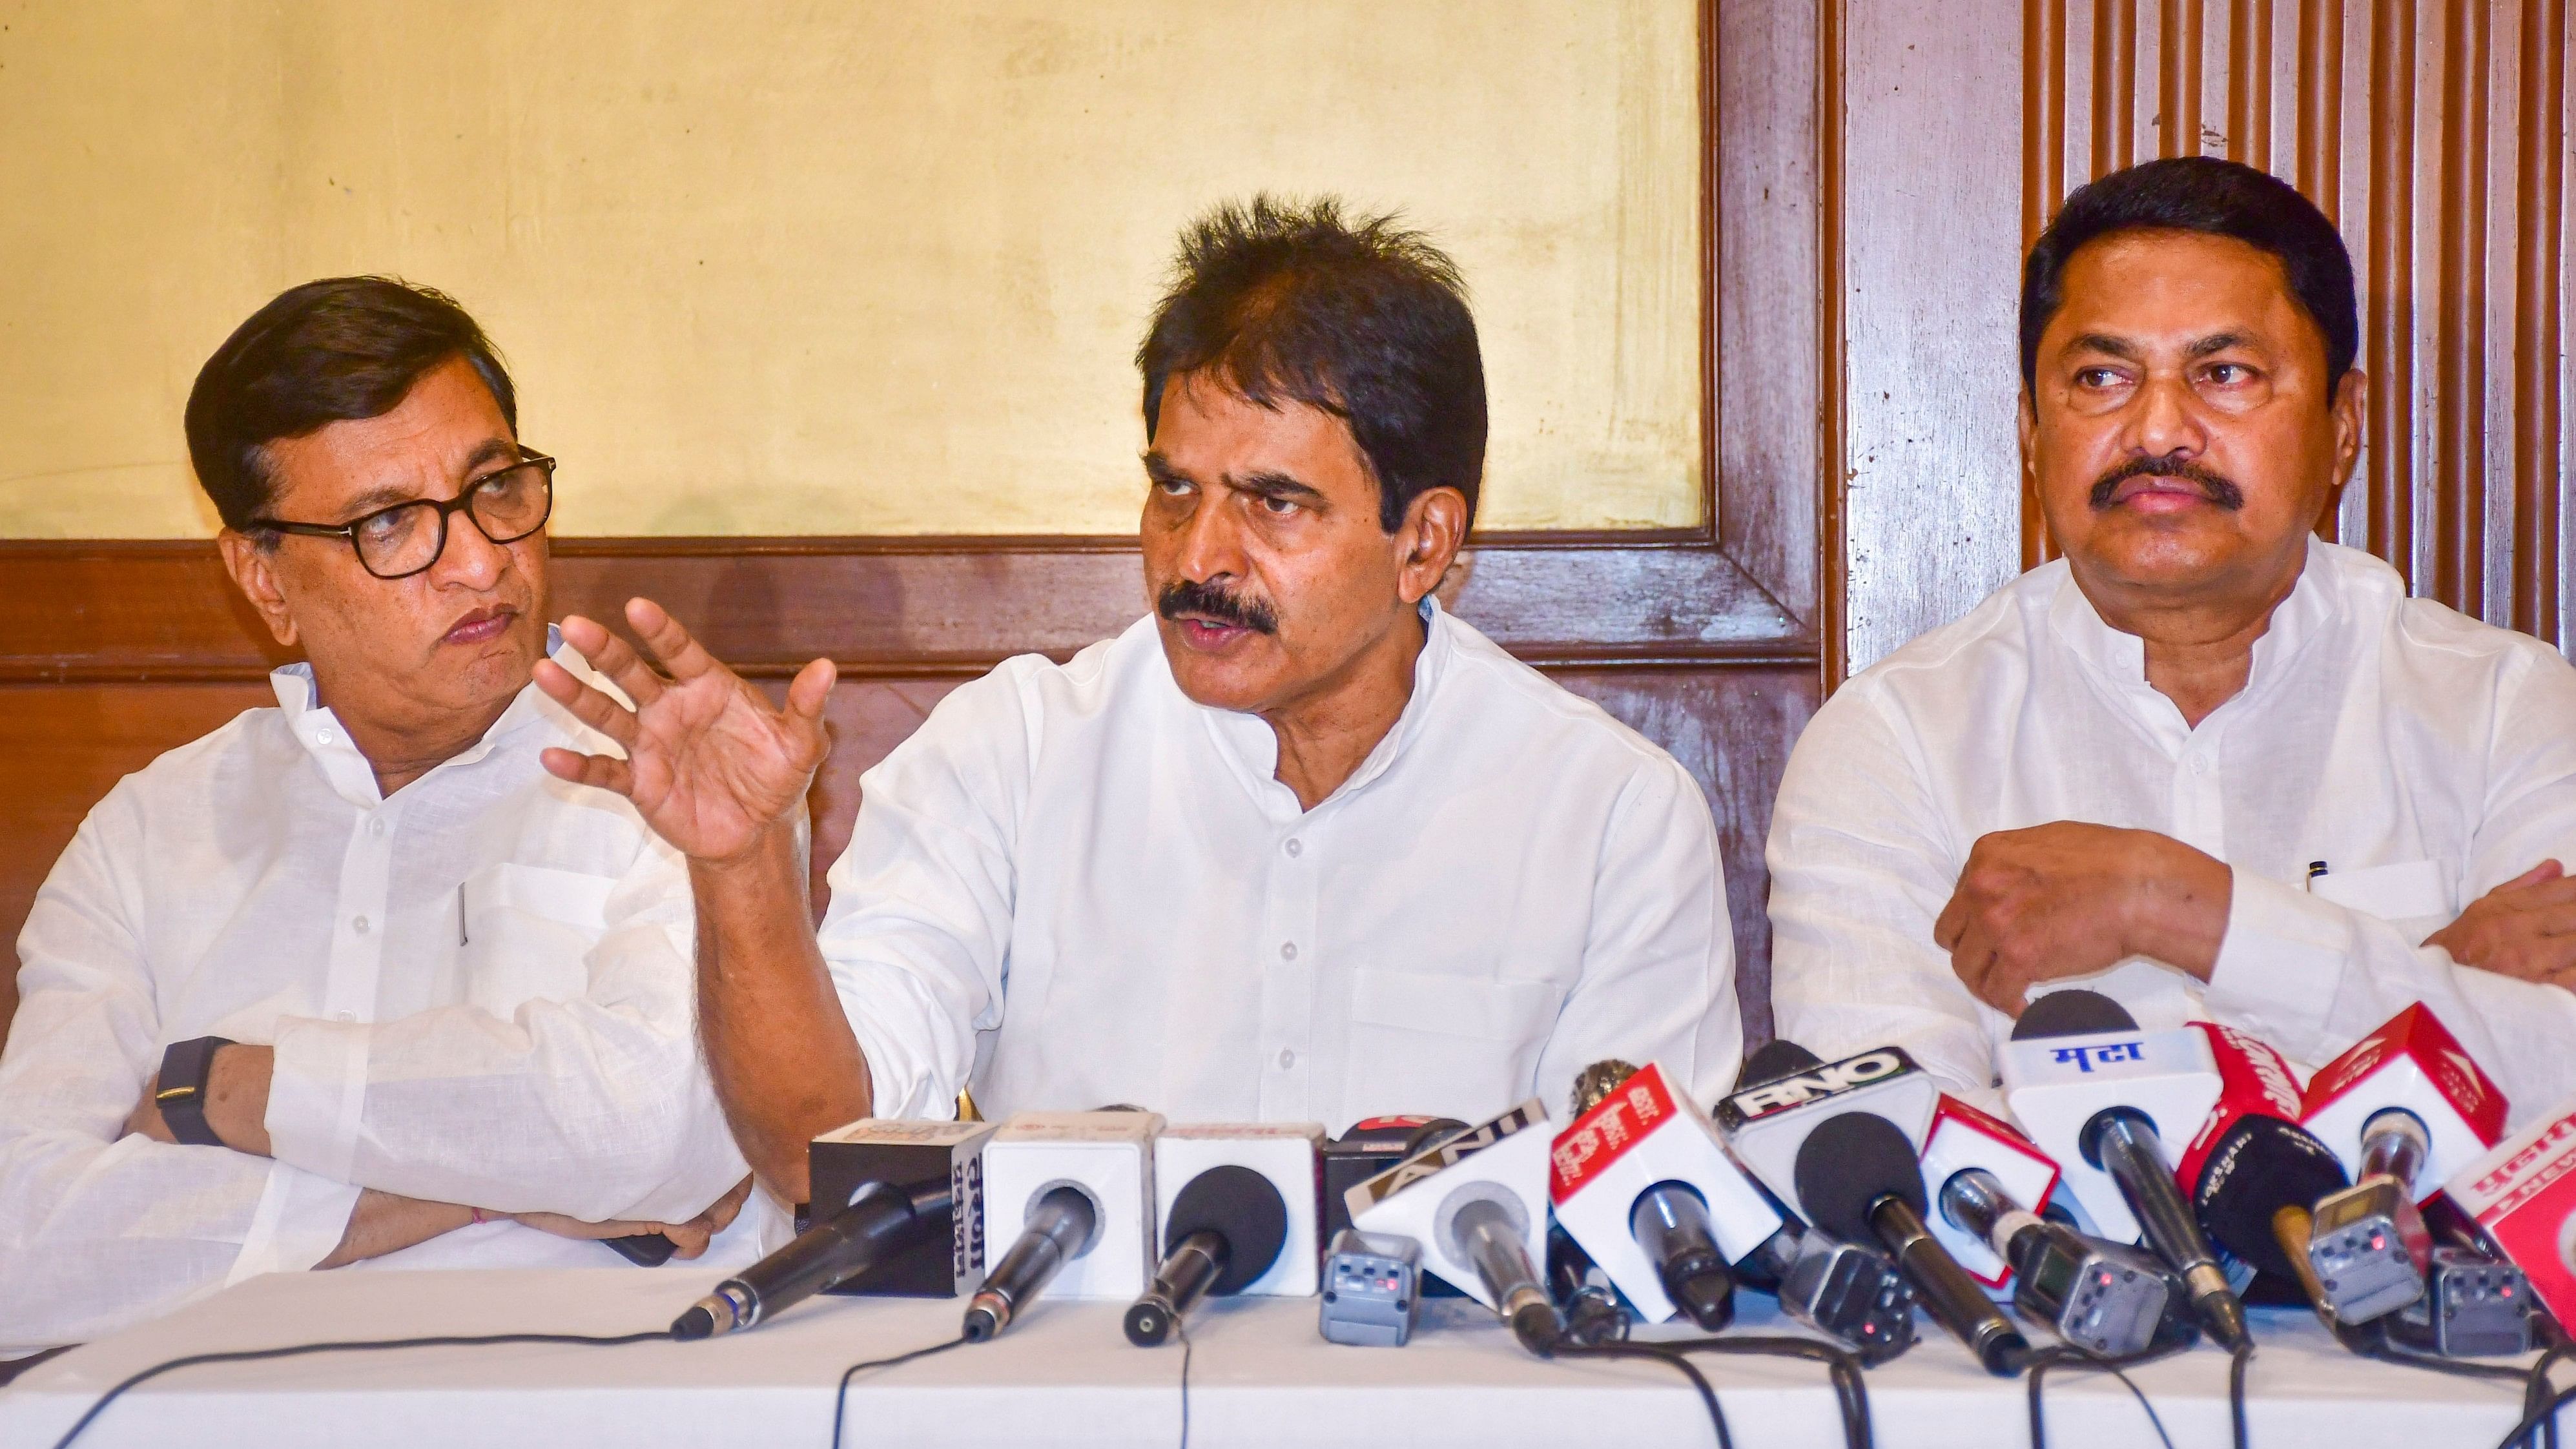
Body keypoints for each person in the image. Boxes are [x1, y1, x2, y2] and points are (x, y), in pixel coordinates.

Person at [537, 197, 1739, 1202]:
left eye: (1273, 503)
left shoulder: (1609, 818)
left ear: (1422, 543)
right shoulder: (1013, 755)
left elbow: (1636, 1227)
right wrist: (744, 866)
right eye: (1173, 488)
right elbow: (820, 1155)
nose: (1197, 556)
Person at [0, 278, 762, 1359]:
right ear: (263, 578)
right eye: (390, 522)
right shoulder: (151, 836)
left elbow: (661, 1135)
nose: (481, 558)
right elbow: (21, 1247)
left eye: (494, 486)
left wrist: (219, 1089)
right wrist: (495, 1191)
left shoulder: (668, 780)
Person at [1768, 157, 2576, 1116]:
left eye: (2223, 373)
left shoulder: (2504, 709)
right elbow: (1898, 1160)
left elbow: (2559, 1088)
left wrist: (2170, 903)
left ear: (2342, 426)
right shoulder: (1894, 740)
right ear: (2031, 431)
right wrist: (2422, 988)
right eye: (2101, 377)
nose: (2158, 430)